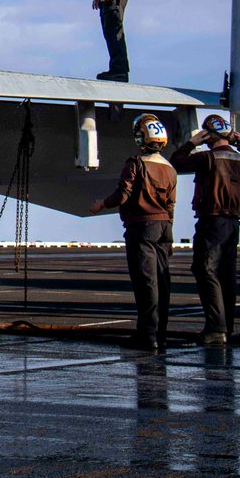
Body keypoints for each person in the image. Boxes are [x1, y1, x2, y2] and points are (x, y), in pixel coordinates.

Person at [171, 114, 240, 345]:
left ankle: (216, 328)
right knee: (226, 275)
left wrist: (192, 143)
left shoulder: (208, 157)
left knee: (205, 270)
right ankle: (226, 327)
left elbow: (177, 161)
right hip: (233, 223)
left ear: (209, 134)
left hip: (212, 221)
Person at [90, 113, 178, 350]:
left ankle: (147, 336)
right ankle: (160, 334)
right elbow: (171, 205)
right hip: (164, 227)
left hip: (141, 227)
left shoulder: (136, 163)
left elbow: (123, 194)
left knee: (145, 282)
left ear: (142, 138)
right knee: (162, 282)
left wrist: (101, 204)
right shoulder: (170, 168)